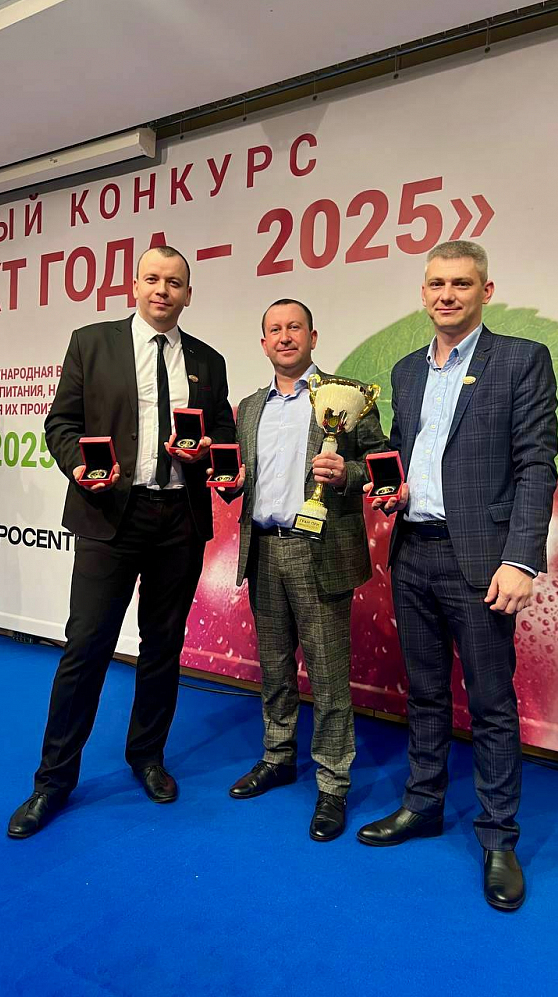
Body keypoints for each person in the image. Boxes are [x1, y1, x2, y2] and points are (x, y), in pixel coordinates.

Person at [7, 245, 235, 838]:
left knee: (162, 647)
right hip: (110, 516)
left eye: (175, 282)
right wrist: (77, 466)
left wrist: (207, 452)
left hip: (179, 519)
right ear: (134, 285)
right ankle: (52, 781)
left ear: (188, 295)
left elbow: (223, 434)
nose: (163, 290)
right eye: (153, 278)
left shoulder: (208, 361)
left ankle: (148, 756)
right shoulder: (91, 343)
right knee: (86, 647)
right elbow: (61, 423)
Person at [357, 241, 558, 910]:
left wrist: (520, 558)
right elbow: (406, 452)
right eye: (437, 283)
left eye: (461, 283)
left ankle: (498, 836)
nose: (447, 294)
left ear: (485, 291)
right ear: (423, 293)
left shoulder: (520, 360)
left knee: (491, 704)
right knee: (423, 694)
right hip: (412, 552)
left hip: (481, 563)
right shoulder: (405, 370)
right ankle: (422, 805)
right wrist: (390, 488)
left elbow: (535, 466)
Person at [216, 299, 385, 841]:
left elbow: (383, 466)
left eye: (295, 328)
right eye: (275, 329)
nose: (285, 337)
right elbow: (244, 476)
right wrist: (231, 484)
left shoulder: (347, 395)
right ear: (263, 342)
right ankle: (278, 756)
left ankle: (333, 784)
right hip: (263, 548)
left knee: (328, 675)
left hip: (320, 551)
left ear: (313, 336)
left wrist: (347, 473)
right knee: (274, 668)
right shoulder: (249, 407)